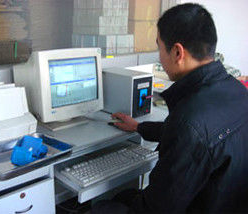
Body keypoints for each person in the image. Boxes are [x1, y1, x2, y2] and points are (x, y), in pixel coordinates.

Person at [92, 3, 248, 213]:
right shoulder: (236, 90)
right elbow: (198, 135)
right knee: (124, 195)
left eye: (159, 47)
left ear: (177, 52)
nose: (159, 57)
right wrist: (139, 127)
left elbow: (156, 209)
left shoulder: (190, 121)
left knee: (100, 207)